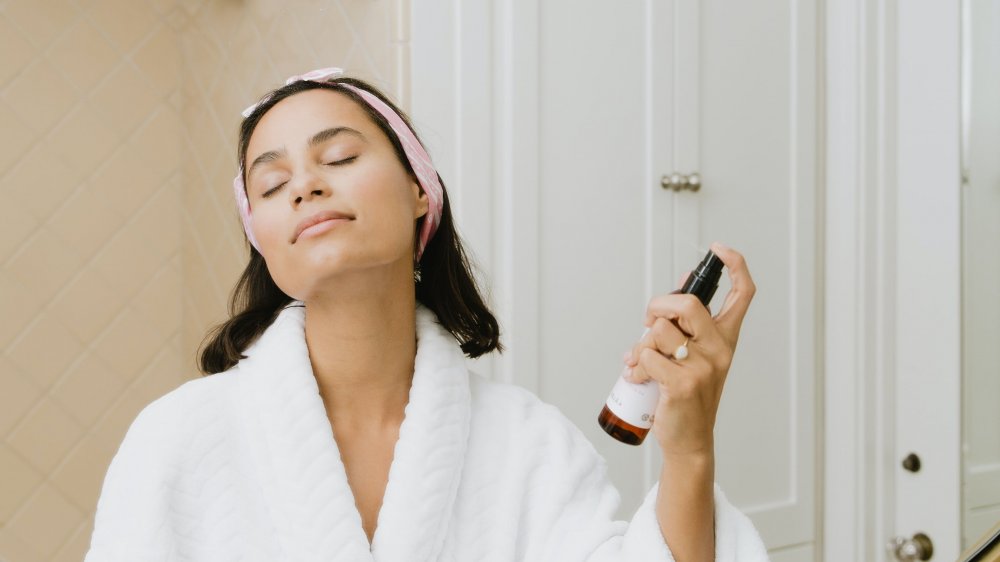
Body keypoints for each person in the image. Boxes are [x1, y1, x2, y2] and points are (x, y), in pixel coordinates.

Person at [84, 67, 768, 561]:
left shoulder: (531, 447)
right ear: (263, 243)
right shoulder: (176, 442)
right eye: (271, 183)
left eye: (340, 156)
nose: (305, 186)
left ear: (420, 191)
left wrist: (689, 449)